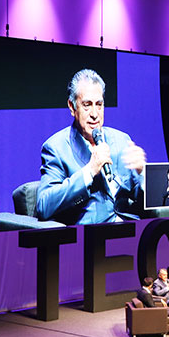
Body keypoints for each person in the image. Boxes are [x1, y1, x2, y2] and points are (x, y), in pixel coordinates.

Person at [36, 68, 146, 225]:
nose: (95, 114)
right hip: (90, 237)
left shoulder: (121, 139)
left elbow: (138, 197)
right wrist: (89, 171)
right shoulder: (56, 148)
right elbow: (44, 206)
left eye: (99, 104)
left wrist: (144, 175)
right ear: (72, 107)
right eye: (87, 105)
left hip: (129, 229)